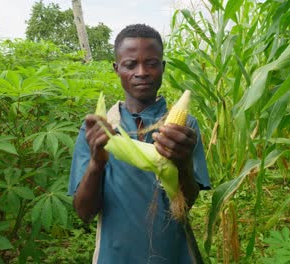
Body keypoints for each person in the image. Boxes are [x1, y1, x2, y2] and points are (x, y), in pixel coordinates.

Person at [68, 24, 210, 263]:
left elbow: (185, 207)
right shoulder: (99, 129)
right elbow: (84, 213)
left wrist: (183, 163)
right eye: (130, 64)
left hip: (174, 255)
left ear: (162, 68)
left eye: (151, 63)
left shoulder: (184, 129)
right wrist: (96, 164)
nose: (141, 72)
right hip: (114, 256)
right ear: (117, 69)